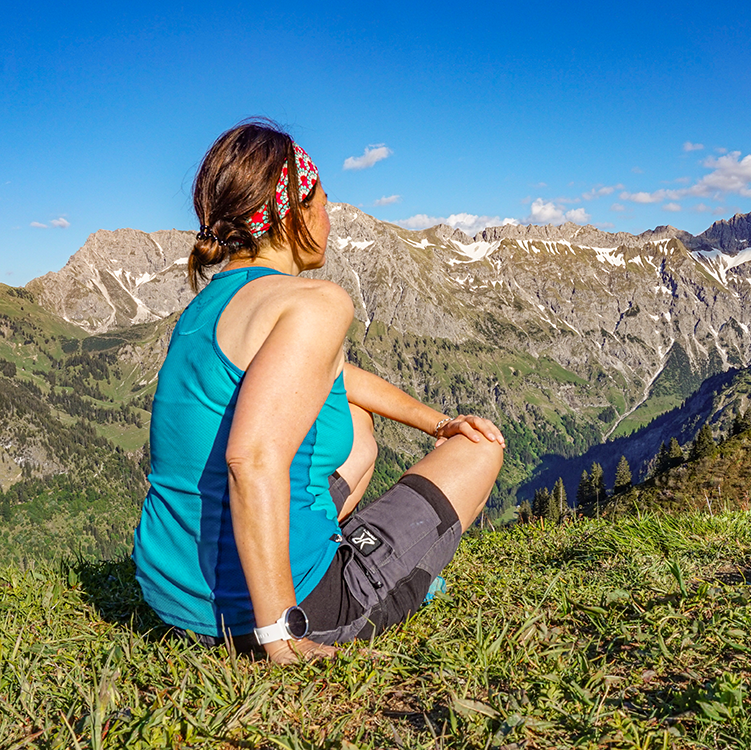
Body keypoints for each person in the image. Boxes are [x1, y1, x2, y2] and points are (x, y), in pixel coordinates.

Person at [133, 120, 505, 663]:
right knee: (481, 449)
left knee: (357, 427)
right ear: (293, 213)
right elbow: (252, 459)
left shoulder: (210, 304)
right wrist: (281, 636)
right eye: (325, 202)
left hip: (171, 597)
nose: (331, 218)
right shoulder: (316, 303)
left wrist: (437, 423)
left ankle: (313, 548)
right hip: (270, 613)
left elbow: (331, 377)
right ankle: (364, 581)